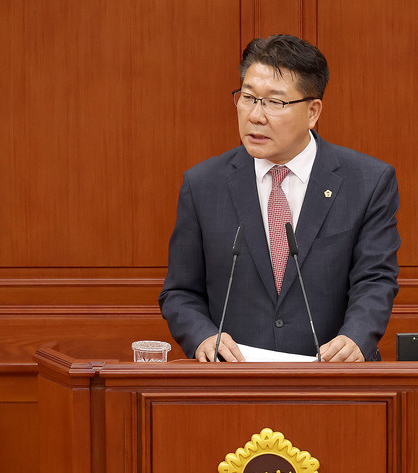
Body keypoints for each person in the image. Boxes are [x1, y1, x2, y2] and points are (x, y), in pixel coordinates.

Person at [158, 34, 399, 362]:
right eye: (248, 98)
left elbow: (375, 279)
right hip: (233, 378)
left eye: (275, 102)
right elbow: (180, 292)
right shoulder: (203, 184)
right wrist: (203, 336)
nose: (255, 116)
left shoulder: (367, 182)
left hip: (333, 377)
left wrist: (355, 337)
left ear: (312, 111)